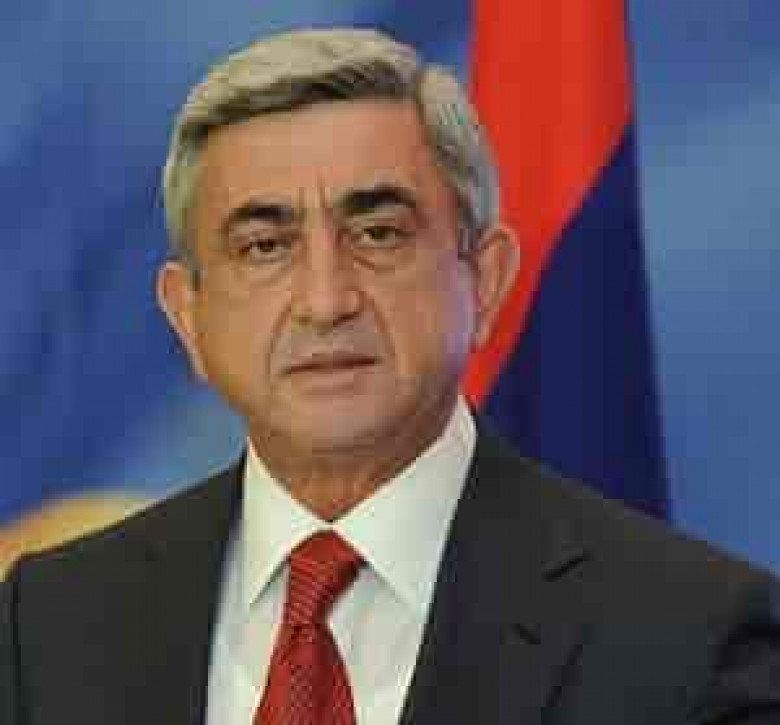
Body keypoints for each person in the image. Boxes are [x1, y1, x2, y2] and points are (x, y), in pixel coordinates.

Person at [2, 27, 779, 725]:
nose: (325, 300)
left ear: (486, 281)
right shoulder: (51, 621)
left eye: (378, 233)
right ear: (187, 316)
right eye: (264, 246)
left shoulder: (689, 638)